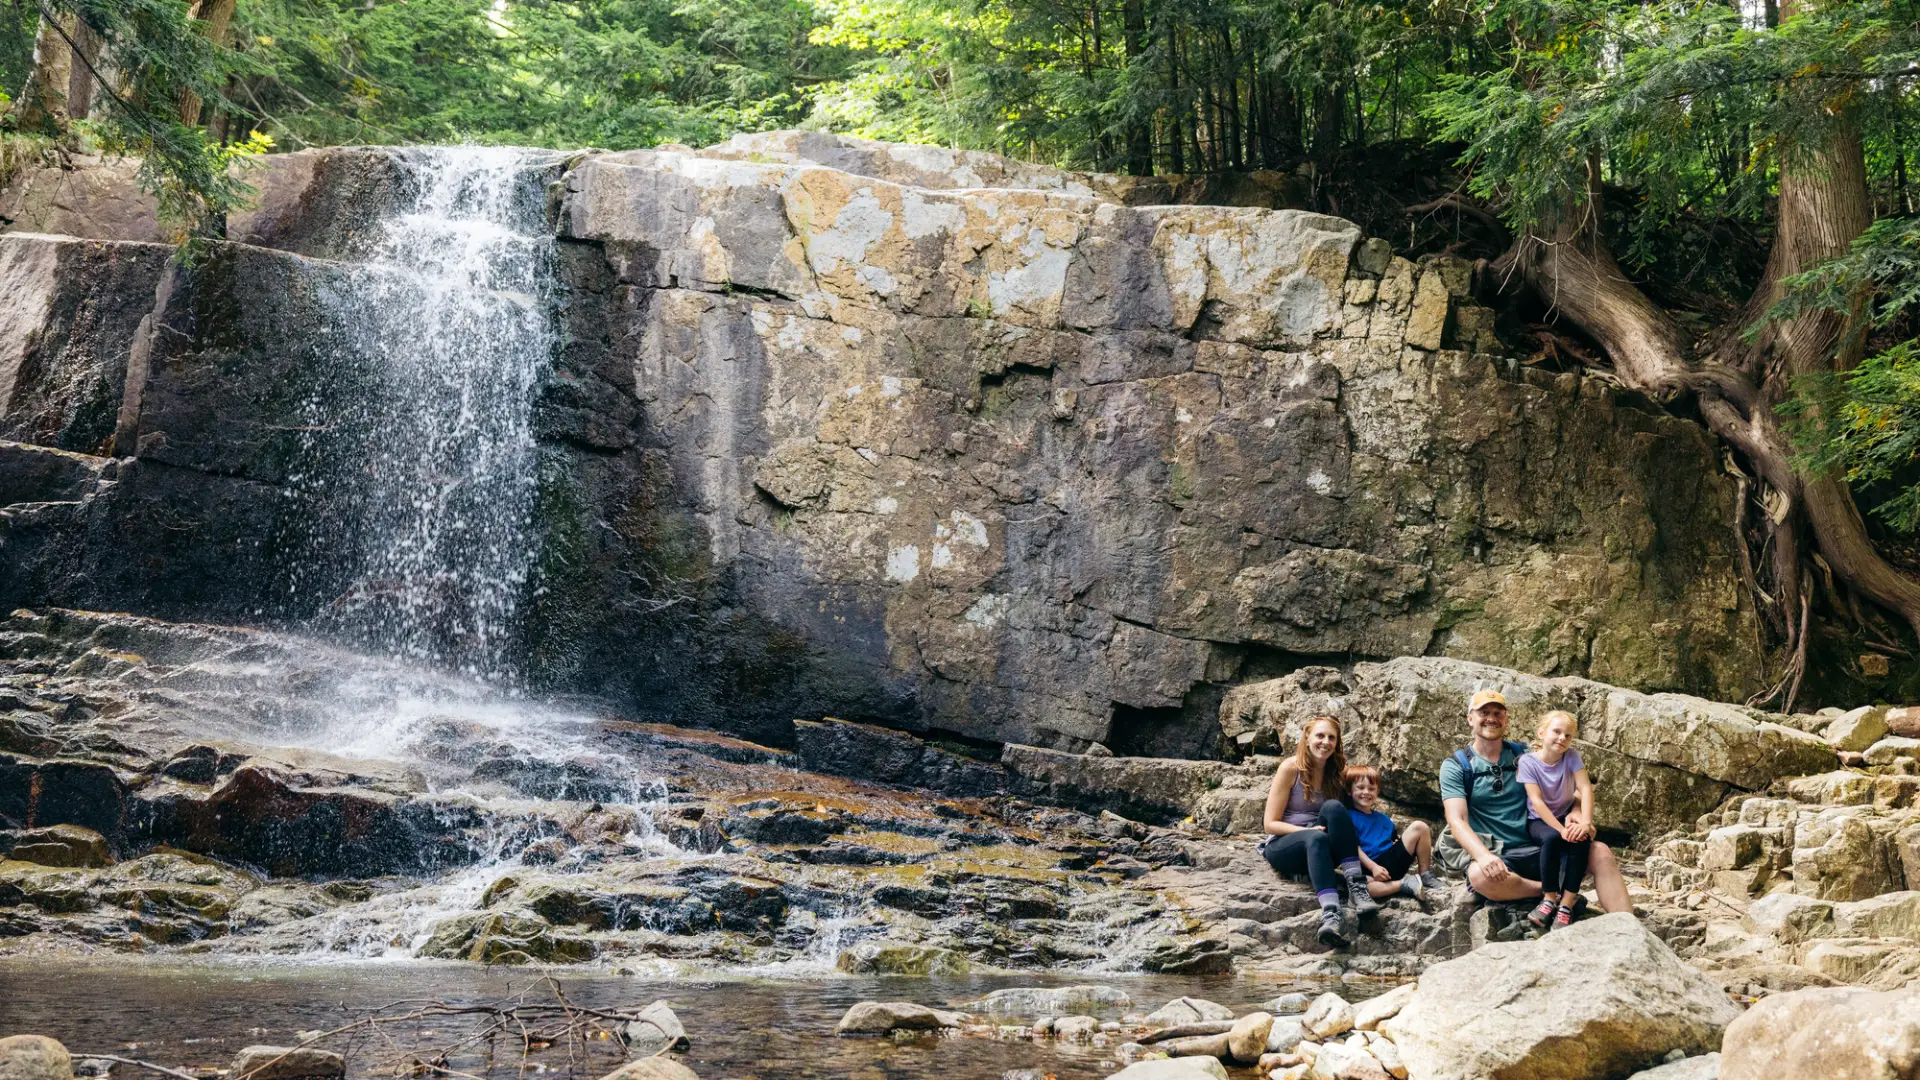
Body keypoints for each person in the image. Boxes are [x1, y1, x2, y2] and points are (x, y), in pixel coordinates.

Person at [1437, 689, 1633, 916]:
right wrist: (1482, 856)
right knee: (1480, 875)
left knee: (1601, 852)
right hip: (1499, 853)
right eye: (1484, 712)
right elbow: (1456, 819)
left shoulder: (1528, 755)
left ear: (1506, 720)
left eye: (1498, 713)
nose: (1492, 718)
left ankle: (1629, 926)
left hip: (1541, 845)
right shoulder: (1457, 765)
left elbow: (1575, 788)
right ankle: (1551, 893)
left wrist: (1578, 811)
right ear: (1470, 718)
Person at [1258, 714, 1377, 949]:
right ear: (1307, 738)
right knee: (1317, 836)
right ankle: (1331, 914)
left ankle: (1356, 885)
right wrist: (1309, 830)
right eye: (1320, 736)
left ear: (1337, 743)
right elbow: (1270, 823)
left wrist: (1372, 864)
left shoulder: (1337, 771)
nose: (1325, 742)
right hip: (1284, 845)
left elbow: (1343, 821)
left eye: (1331, 737)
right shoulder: (1290, 768)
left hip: (1320, 848)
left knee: (1333, 807)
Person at [1519, 710, 1595, 930]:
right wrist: (1561, 829)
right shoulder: (1528, 762)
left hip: (1564, 814)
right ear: (1542, 733)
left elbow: (1585, 788)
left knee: (1580, 839)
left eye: (1568, 735)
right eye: (1557, 732)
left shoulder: (1572, 757)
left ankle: (1567, 904)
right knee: (1552, 839)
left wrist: (1585, 823)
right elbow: (1537, 801)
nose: (1563, 738)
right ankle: (1549, 898)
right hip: (1539, 820)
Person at [1343, 764, 1438, 904]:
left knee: (1420, 827)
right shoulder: (1347, 816)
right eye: (1360, 787)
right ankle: (1403, 884)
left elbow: (1395, 841)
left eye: (1371, 789)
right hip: (1368, 867)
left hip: (1391, 862)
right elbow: (1352, 847)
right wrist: (1373, 867)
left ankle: (1425, 874)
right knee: (1363, 890)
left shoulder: (1384, 819)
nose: (1366, 792)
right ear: (1349, 791)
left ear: (1377, 792)